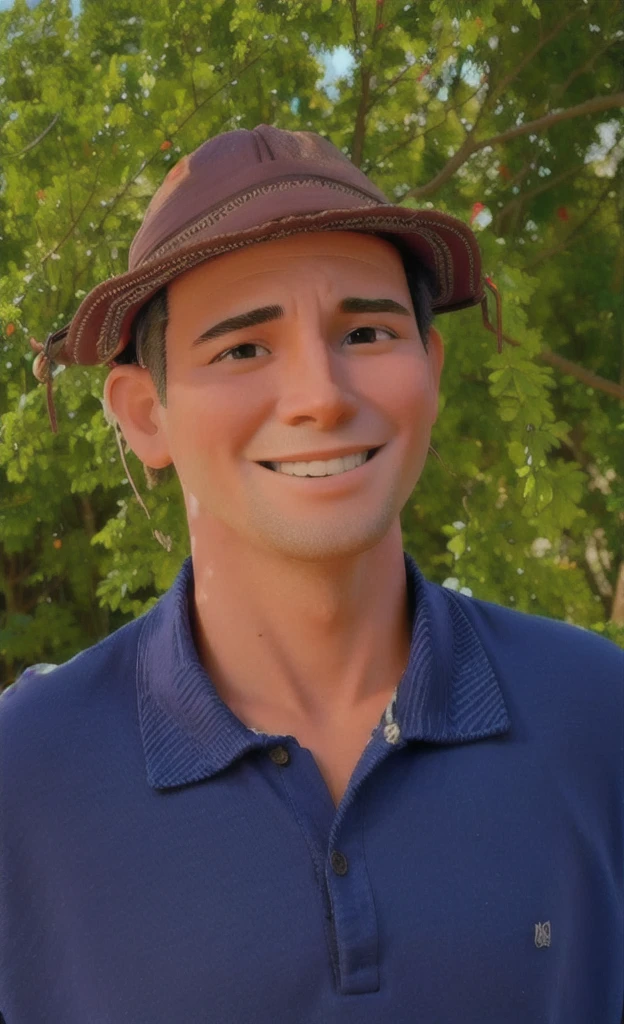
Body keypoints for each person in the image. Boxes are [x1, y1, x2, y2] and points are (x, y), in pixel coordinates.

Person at [0, 124, 622, 1024]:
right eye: (242, 349)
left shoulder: (597, 715)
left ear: (430, 366)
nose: (321, 395)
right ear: (145, 415)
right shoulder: (26, 779)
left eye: (365, 331)